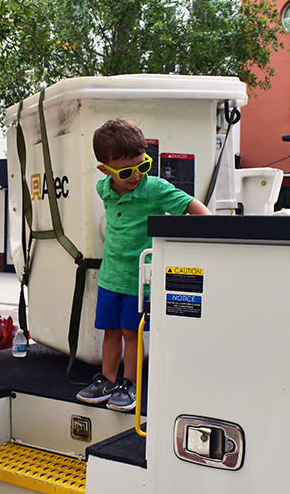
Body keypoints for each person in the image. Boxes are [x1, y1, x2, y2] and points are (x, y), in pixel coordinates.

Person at [77, 119, 212, 412]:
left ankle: (130, 384)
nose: (137, 174)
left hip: (141, 281)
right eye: (127, 171)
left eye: (143, 165)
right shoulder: (104, 188)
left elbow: (190, 204)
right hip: (110, 276)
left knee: (131, 333)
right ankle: (107, 380)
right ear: (106, 170)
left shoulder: (156, 189)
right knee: (109, 331)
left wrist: (215, 230)